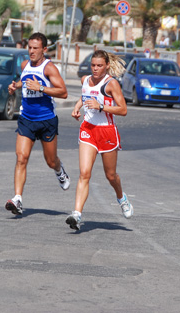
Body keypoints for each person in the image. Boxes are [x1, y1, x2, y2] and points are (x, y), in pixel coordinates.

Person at [66, 50, 133, 231]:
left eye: (99, 66)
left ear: (107, 66)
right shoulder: (85, 80)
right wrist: (77, 106)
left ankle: (121, 197)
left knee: (110, 175)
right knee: (84, 173)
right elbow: (85, 95)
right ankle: (77, 215)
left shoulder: (111, 84)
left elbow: (123, 109)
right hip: (88, 129)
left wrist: (101, 106)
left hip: (107, 132)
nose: (95, 69)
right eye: (93, 65)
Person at [5, 32, 70, 216]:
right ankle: (17, 199)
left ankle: (60, 170)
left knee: (50, 161)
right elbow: (25, 80)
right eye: (29, 48)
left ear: (44, 50)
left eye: (35, 48)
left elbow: (63, 92)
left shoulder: (49, 69)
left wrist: (41, 88)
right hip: (26, 119)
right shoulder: (25, 64)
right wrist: (15, 86)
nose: (31, 51)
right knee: (21, 158)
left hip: (46, 120)